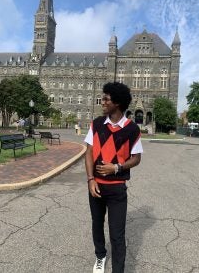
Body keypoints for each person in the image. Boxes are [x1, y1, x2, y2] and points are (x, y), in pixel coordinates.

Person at [84, 82, 143, 273]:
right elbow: (88, 152)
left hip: (117, 189)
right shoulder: (97, 124)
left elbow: (136, 158)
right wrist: (90, 179)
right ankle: (100, 256)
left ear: (117, 103)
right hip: (96, 187)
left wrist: (116, 167)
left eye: (106, 99)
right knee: (97, 225)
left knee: (117, 234)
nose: (102, 101)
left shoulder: (132, 129)